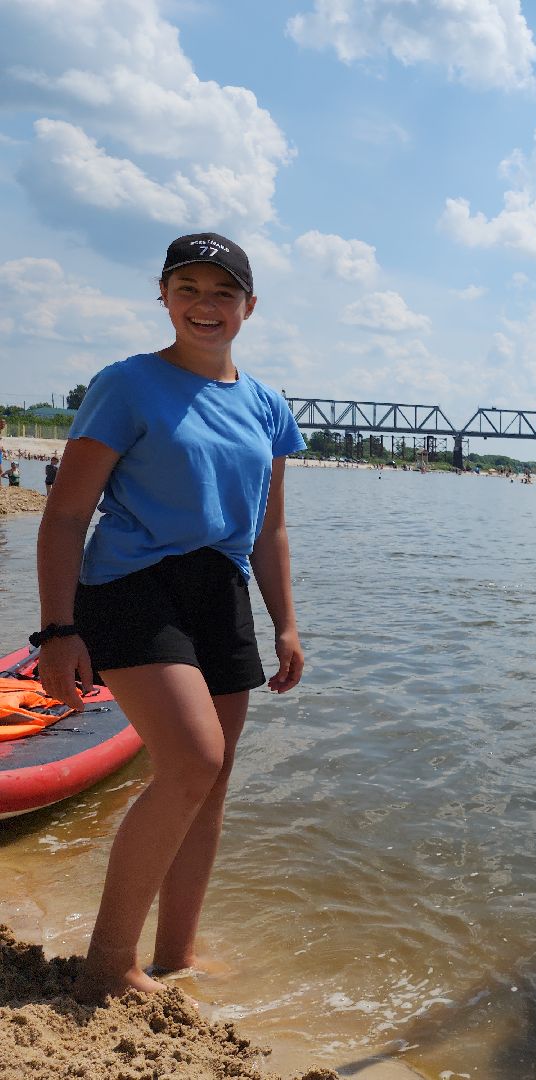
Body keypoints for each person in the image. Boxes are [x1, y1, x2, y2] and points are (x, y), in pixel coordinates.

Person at [34, 233, 305, 1003]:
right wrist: (58, 630)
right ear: (163, 297)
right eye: (186, 288)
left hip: (220, 590)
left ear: (249, 306)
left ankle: (175, 956)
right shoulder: (126, 384)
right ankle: (108, 964)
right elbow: (65, 515)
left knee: (208, 785)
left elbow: (268, 529)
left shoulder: (267, 406)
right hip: (130, 585)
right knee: (191, 761)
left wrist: (285, 623)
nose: (204, 305)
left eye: (222, 292)